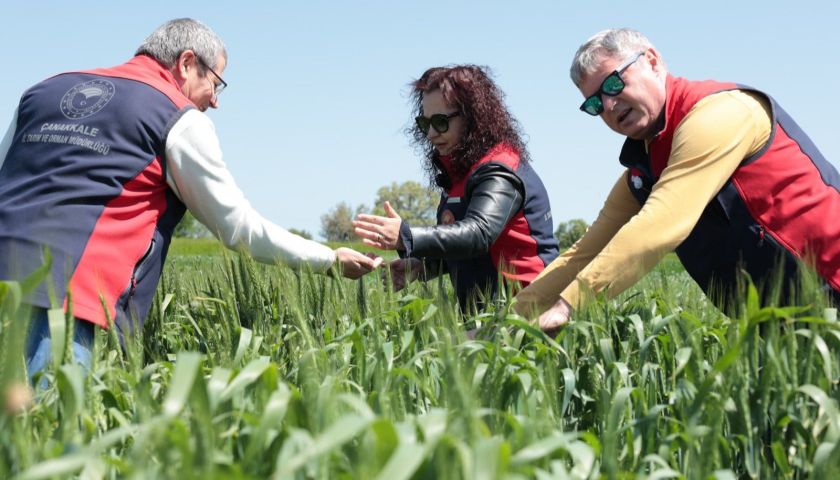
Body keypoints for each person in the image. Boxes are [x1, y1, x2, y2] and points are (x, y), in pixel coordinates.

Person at [0, 18, 380, 381]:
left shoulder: (42, 90)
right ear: (186, 63)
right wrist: (329, 259)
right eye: (216, 82)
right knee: (49, 435)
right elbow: (238, 227)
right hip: (67, 306)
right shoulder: (176, 117)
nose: (215, 101)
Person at [514, 28, 840, 331]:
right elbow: (582, 253)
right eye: (595, 103)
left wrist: (569, 306)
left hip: (832, 290)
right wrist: (505, 322)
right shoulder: (645, 172)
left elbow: (660, 223)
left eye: (613, 84)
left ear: (652, 62)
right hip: (782, 324)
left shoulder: (720, 113)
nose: (610, 105)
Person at [353, 65, 559, 312]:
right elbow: (466, 249)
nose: (430, 133)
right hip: (487, 319)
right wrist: (421, 266)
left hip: (529, 315)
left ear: (473, 117)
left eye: (440, 122)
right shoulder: (460, 172)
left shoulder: (499, 170)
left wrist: (407, 236)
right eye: (424, 123)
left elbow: (479, 233)